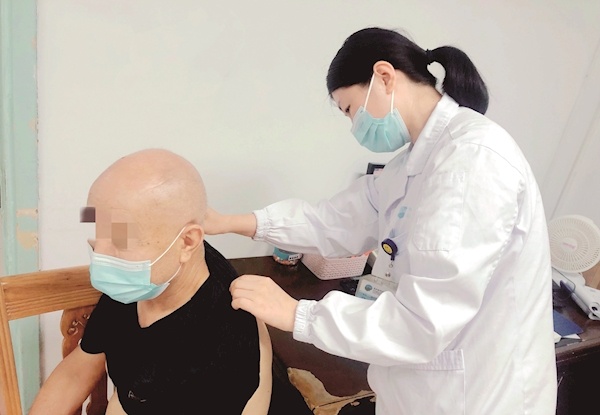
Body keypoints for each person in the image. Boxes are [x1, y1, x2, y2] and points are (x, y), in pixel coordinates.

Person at [205, 27, 557, 414]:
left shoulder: (473, 159)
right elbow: (331, 222)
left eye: (349, 109)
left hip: (476, 398)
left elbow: (422, 323)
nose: (354, 126)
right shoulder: (410, 165)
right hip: (418, 390)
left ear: (384, 77)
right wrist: (228, 221)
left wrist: (297, 314)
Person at [30, 148, 272, 415]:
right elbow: (78, 370)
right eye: (101, 230)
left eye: (121, 239)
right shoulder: (148, 275)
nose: (101, 254)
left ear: (187, 241)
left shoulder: (221, 348)